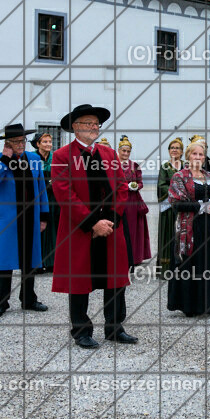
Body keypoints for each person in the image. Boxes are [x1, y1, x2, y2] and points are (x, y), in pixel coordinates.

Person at [51, 104, 136, 348]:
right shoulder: (62, 156)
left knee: (115, 280)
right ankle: (81, 331)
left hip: (110, 227)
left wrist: (110, 219)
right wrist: (92, 223)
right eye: (88, 122)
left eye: (96, 123)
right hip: (79, 229)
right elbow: (64, 194)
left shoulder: (109, 155)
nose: (94, 127)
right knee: (79, 281)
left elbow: (121, 186)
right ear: (75, 127)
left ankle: (114, 327)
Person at [0, 123, 50, 318]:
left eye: (23, 141)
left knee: (29, 261)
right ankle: (1, 303)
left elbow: (41, 190)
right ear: (8, 143)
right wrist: (5, 158)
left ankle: (29, 299)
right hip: (6, 220)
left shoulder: (35, 159)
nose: (21, 144)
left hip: (31, 217)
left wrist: (44, 216)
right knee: (4, 262)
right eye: (16, 142)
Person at [166, 136, 210, 317]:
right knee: (194, 264)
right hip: (191, 227)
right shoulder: (179, 177)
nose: (198, 157)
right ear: (188, 156)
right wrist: (202, 207)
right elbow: (176, 202)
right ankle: (191, 305)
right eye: (194, 153)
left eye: (201, 154)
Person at [117, 135, 152, 268]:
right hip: (118, 199)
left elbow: (140, 182)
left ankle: (133, 257)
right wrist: (125, 186)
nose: (125, 153)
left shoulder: (134, 166)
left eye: (128, 151)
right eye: (123, 151)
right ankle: (120, 255)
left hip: (132, 201)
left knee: (132, 229)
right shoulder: (113, 165)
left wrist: (136, 186)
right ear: (118, 150)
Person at [30, 131, 59, 272]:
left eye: (50, 142)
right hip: (38, 196)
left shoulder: (56, 158)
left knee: (53, 227)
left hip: (54, 197)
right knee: (38, 228)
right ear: (38, 144)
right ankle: (37, 262)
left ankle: (52, 261)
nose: (48, 144)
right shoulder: (32, 158)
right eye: (45, 142)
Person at [157, 138, 185, 274]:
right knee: (169, 235)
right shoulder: (165, 167)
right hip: (169, 207)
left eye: (177, 148)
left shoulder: (186, 166)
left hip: (184, 206)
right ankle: (166, 268)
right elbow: (161, 185)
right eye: (172, 147)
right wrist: (176, 192)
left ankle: (183, 266)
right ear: (169, 151)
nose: (174, 150)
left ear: (182, 151)